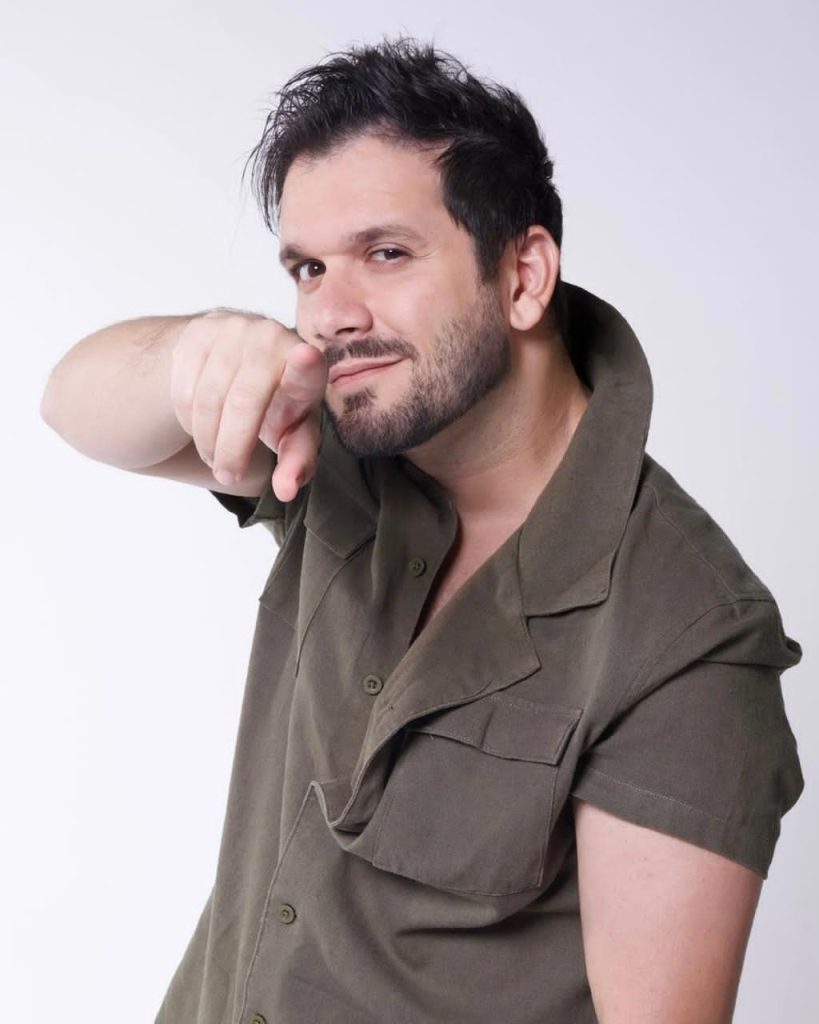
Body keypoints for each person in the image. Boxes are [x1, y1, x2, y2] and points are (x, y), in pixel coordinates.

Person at [41, 35, 804, 1024]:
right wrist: (193, 352)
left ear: (523, 277)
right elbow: (72, 403)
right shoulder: (342, 446)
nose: (329, 314)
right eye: (308, 267)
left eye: (385, 253)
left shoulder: (685, 635)